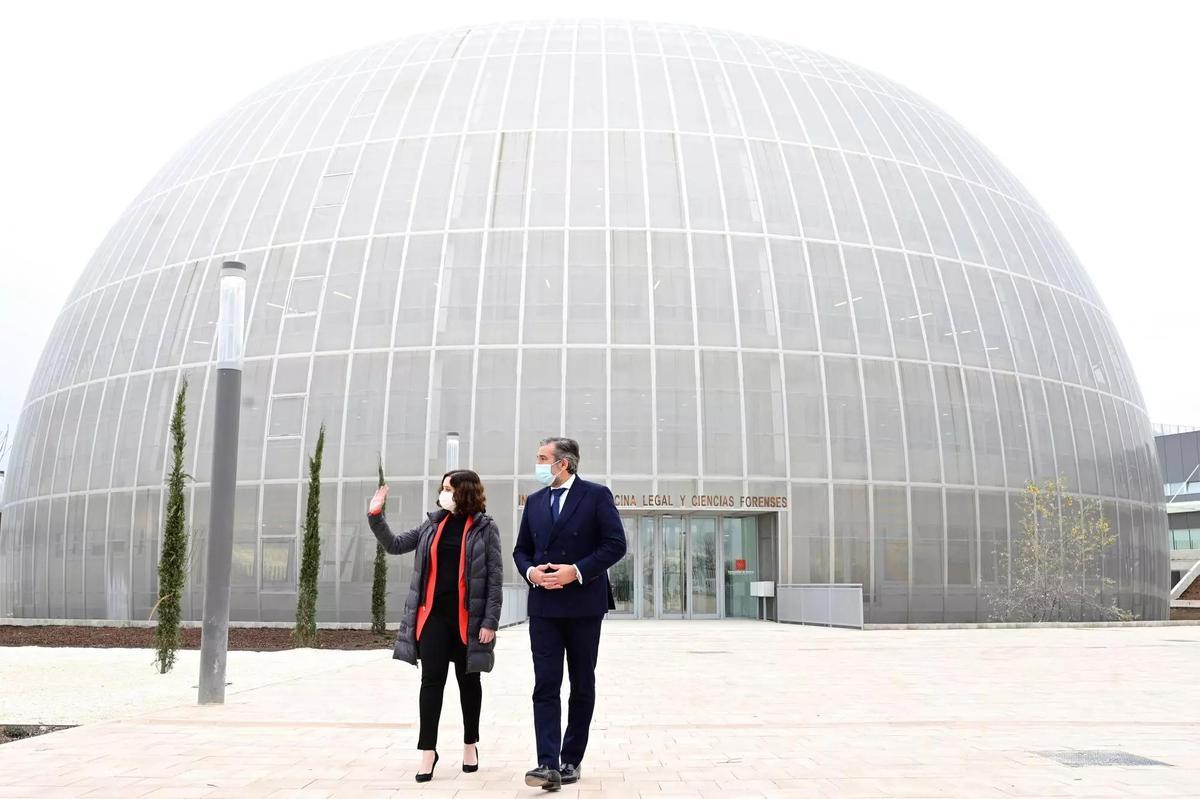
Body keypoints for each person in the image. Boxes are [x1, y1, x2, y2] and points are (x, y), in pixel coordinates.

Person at [367, 470, 502, 783]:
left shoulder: (485, 528)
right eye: (442, 488)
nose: (443, 493)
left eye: (448, 488)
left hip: (468, 620)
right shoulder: (433, 524)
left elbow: (494, 578)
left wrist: (490, 621)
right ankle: (428, 751)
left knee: (469, 684)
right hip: (434, 619)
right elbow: (395, 544)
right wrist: (376, 514)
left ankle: (470, 744)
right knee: (431, 684)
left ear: (464, 492)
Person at [513, 437, 627, 791]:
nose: (538, 464)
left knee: (581, 682)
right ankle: (547, 763)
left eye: (542, 458)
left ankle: (570, 759)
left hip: (583, 605)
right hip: (544, 606)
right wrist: (531, 573)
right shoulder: (533, 502)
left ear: (564, 463)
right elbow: (521, 551)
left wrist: (575, 571)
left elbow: (615, 544)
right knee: (545, 682)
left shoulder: (595, 495)